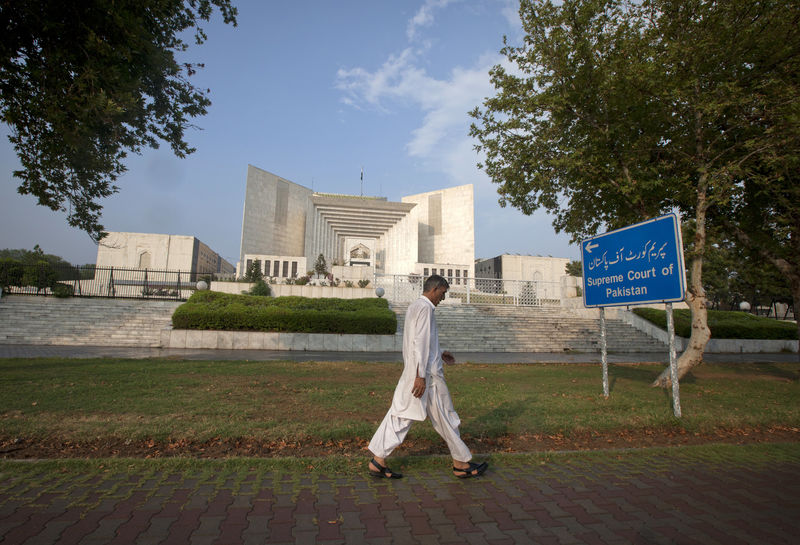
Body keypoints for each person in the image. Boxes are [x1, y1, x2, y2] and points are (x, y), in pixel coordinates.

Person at [367, 274, 488, 479]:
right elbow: (420, 345)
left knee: (401, 415)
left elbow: (420, 343)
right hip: (427, 378)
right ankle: (460, 464)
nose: (443, 297)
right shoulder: (425, 309)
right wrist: (421, 376)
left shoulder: (416, 307)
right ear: (434, 289)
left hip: (416, 373)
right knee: (446, 417)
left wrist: (440, 354)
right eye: (443, 293)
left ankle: (377, 461)